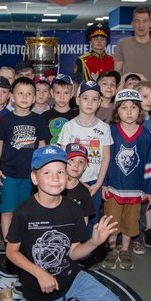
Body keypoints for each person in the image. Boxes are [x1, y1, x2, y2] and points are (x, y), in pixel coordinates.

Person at [0, 145, 123, 301]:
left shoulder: (73, 208)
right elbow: (11, 252)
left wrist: (94, 242)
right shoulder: (24, 212)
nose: (55, 178)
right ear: (34, 178)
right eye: (47, 172)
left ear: (66, 174)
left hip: (71, 277)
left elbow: (73, 252)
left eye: (60, 172)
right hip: (41, 285)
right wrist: (40, 273)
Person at [101, 89, 151, 271]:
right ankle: (112, 249)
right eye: (124, 107)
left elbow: (149, 164)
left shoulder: (146, 134)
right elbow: (105, 160)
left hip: (135, 189)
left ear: (140, 110)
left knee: (131, 222)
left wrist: (149, 189)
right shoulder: (110, 132)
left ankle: (124, 249)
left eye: (133, 107)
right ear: (117, 111)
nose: (129, 112)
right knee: (112, 221)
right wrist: (103, 183)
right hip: (113, 188)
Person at [0, 77, 50, 240]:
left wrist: (41, 170)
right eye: (20, 93)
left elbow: (42, 145)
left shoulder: (38, 120)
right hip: (8, 174)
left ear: (34, 98)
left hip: (30, 175)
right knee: (8, 211)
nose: (25, 97)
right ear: (12, 97)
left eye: (29, 94)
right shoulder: (6, 120)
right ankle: (8, 246)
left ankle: (23, 244)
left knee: (26, 212)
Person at [58, 81, 112, 225]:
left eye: (94, 99)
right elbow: (63, 157)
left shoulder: (104, 128)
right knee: (69, 217)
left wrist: (99, 183)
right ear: (77, 100)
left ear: (99, 102)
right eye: (85, 98)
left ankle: (90, 241)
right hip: (72, 181)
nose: (89, 103)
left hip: (94, 182)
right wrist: (78, 181)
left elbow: (106, 157)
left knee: (92, 219)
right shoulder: (69, 126)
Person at [134, 81, 151, 250]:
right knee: (131, 205)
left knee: (144, 205)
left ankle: (138, 237)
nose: (150, 101)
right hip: (131, 169)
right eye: (145, 96)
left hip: (146, 170)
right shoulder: (129, 118)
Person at [114, 7, 151, 84]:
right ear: (132, 24)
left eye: (145, 21)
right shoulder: (122, 43)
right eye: (137, 21)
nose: (141, 25)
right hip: (128, 90)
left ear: (150, 23)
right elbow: (117, 72)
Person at [64, 143, 95, 226]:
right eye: (72, 160)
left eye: (81, 162)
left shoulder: (84, 193)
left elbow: (85, 222)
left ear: (85, 167)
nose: (76, 165)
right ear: (64, 161)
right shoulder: (54, 188)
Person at [42, 74, 77, 145]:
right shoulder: (44, 116)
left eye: (66, 93)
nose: (62, 97)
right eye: (58, 92)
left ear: (72, 94)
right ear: (52, 93)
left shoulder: (77, 116)